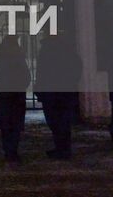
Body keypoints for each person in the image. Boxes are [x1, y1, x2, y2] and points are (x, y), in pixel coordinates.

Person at [35, 31, 82, 159]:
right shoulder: (67, 50)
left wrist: (39, 89)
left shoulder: (46, 51)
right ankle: (63, 148)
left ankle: (61, 148)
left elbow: (41, 73)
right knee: (63, 122)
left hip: (51, 92)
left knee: (55, 121)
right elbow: (77, 68)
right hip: (64, 91)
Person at [0, 34, 30, 161]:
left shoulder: (0, 54)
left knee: (6, 123)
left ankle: (7, 150)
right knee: (15, 123)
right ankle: (13, 150)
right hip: (17, 93)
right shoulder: (18, 55)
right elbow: (26, 75)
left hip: (4, 91)